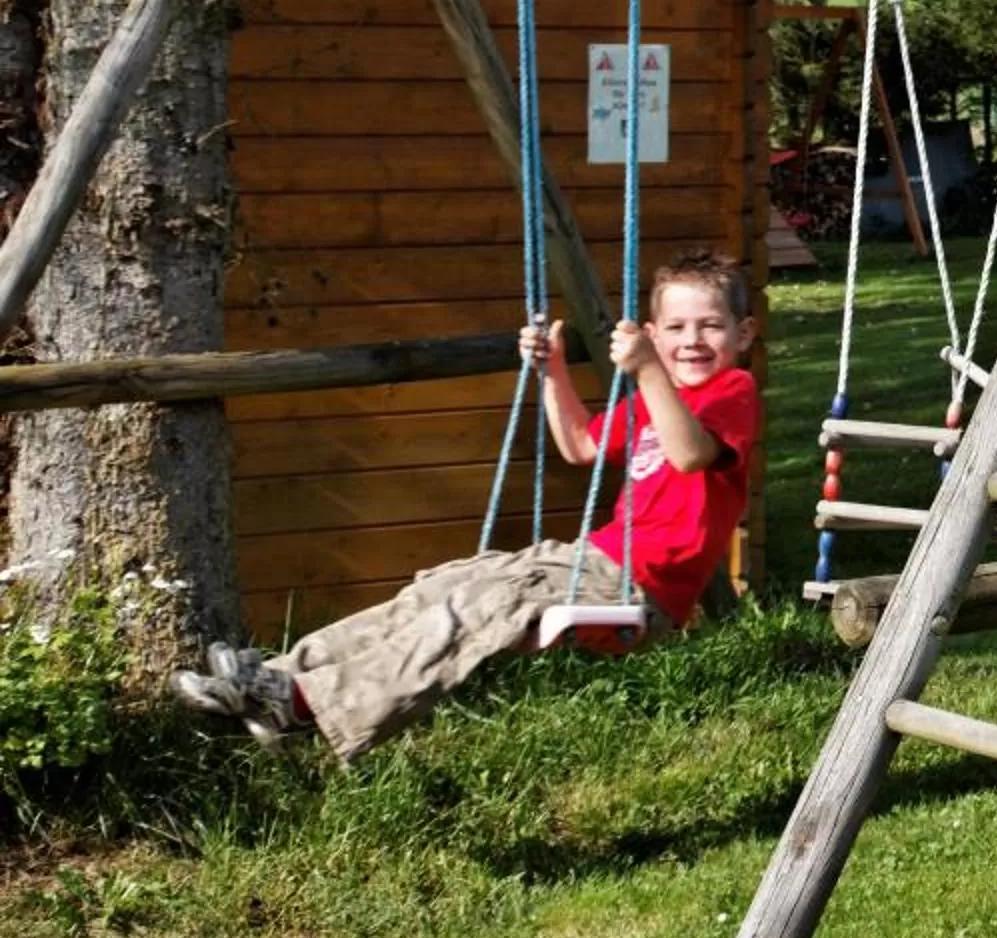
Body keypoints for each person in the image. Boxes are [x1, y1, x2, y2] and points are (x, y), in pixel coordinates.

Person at [173, 251, 762, 759]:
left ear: (744, 334)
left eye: (710, 326)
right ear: (655, 332)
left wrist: (648, 372)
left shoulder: (731, 394)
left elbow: (688, 456)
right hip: (590, 559)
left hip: (639, 588)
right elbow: (581, 444)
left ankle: (310, 708)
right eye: (677, 327)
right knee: (443, 586)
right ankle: (278, 677)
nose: (692, 340)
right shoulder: (649, 400)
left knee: (487, 605)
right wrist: (553, 372)